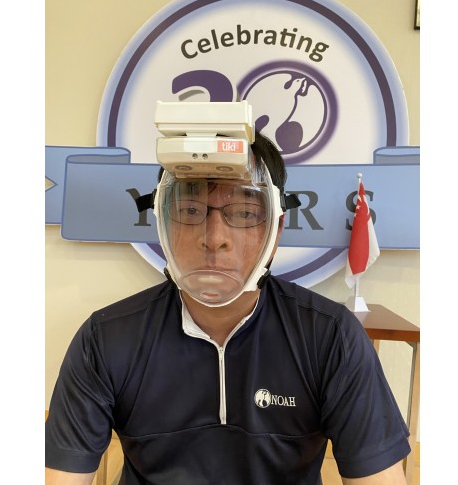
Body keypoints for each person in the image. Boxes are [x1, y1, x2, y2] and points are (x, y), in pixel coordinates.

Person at [45, 110, 410, 484]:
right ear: (161, 219)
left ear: (275, 230)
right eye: (190, 210)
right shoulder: (106, 339)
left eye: (244, 213)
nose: (214, 237)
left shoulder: (330, 338)